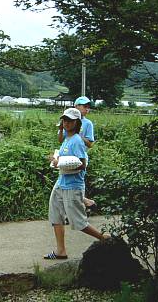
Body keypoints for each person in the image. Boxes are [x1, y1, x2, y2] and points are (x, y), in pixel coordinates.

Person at [46, 108, 109, 260]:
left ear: (77, 123)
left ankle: (105, 238)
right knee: (55, 215)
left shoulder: (77, 141)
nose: (66, 123)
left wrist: (59, 162)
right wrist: (57, 160)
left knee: (78, 221)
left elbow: (82, 164)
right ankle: (61, 251)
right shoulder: (67, 139)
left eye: (70, 120)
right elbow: (63, 155)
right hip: (61, 182)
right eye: (64, 120)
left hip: (73, 186)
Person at [58, 96, 96, 209]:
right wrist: (61, 129)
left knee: (76, 179)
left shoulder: (88, 124)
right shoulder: (66, 121)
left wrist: (76, 135)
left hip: (79, 155)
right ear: (76, 106)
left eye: (88, 107)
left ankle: (81, 205)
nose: (87, 109)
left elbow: (90, 144)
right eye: (84, 106)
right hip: (67, 154)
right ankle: (83, 202)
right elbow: (61, 140)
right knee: (64, 180)